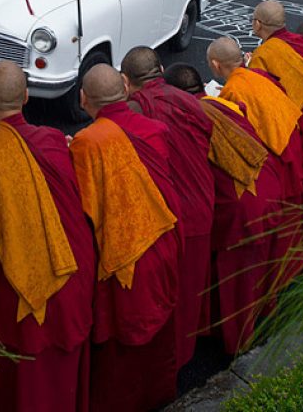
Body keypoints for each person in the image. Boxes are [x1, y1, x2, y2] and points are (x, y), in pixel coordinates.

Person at [0, 62, 94, 412]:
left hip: (15, 303)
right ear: (25, 97)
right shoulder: (55, 142)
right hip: (71, 281)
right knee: (60, 386)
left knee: (15, 390)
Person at [69, 65, 182, 412]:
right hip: (163, 238)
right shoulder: (156, 130)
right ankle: (162, 396)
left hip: (126, 257)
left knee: (123, 350)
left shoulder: (89, 142)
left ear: (84, 99)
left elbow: (86, 209)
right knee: (159, 331)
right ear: (124, 88)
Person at [162, 62, 285, 354]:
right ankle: (264, 312)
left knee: (237, 282)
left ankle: (239, 347)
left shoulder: (187, 119)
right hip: (269, 185)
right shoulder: (224, 105)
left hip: (243, 204)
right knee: (257, 268)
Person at [121, 47, 215, 367]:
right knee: (189, 293)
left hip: (167, 216)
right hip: (201, 205)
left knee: (161, 297)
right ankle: (183, 356)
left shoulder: (136, 111)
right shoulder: (194, 102)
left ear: (125, 81)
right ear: (161, 69)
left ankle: (166, 365)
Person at [207, 36, 303, 286]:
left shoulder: (233, 91)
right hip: (290, 151)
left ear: (216, 66)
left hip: (271, 163)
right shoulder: (259, 77)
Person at [248, 1, 303, 205]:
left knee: (301, 185)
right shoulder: (300, 42)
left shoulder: (264, 54)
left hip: (300, 122)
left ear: (258, 24)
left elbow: (258, 96)